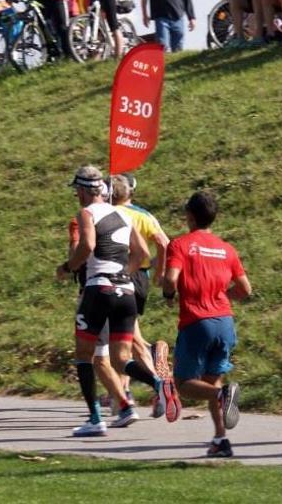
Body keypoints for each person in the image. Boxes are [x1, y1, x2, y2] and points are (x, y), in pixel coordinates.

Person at [56, 166, 180, 437]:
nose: (76, 195)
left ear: (83, 191)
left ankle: (94, 419)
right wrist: (125, 272)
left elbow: (87, 246)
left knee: (84, 356)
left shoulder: (86, 213)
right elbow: (143, 252)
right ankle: (158, 384)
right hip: (125, 292)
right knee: (121, 359)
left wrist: (68, 267)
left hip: (98, 290)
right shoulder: (124, 215)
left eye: (77, 190)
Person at [162, 192, 252, 458]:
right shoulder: (226, 248)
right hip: (225, 321)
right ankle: (221, 440)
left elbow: (170, 279)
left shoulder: (180, 245)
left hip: (196, 321)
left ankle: (224, 395)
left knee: (184, 383)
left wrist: (169, 295)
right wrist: (223, 296)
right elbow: (245, 289)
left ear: (189, 216)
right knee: (213, 379)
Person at [109, 175, 170, 417]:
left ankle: (156, 385)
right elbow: (165, 243)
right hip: (141, 276)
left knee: (127, 340)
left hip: (121, 275)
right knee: (126, 338)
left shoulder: (108, 214)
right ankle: (125, 394)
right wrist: (158, 271)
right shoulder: (144, 215)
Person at [66, 212, 131, 425]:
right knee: (110, 357)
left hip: (95, 294)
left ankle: (99, 416)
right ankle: (125, 404)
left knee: (93, 357)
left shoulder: (83, 220)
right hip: (123, 289)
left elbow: (77, 254)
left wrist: (69, 259)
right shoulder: (121, 218)